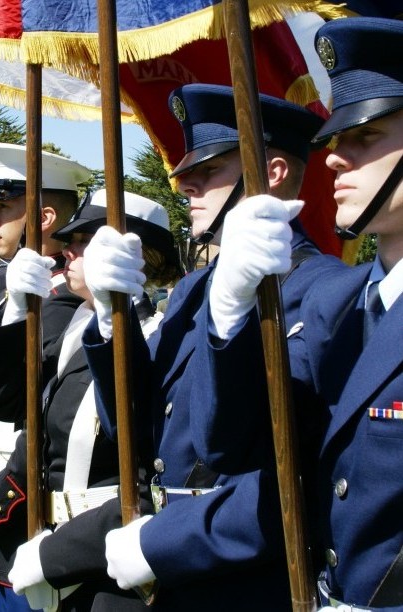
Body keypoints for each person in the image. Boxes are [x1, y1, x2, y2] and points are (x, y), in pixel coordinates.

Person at [3, 88, 346, 611]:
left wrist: (161, 543)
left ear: (272, 173)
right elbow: (133, 429)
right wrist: (109, 318)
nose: (185, 184)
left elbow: (278, 467)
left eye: (210, 170)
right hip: (161, 572)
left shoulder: (324, 291)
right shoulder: (192, 291)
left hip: (243, 580)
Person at [164, 18, 403, 611]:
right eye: (335, 140)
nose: (332, 161)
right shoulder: (348, 305)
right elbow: (233, 448)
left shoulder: (329, 291)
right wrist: (229, 315)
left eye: (364, 137)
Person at [0, 190, 182, 611]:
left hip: (106, 568)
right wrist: (13, 313)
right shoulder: (76, 323)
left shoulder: (161, 333)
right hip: (41, 543)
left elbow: (142, 464)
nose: (68, 250)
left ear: (134, 253)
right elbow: (5, 406)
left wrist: (56, 555)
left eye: (85, 241)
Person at [0, 144, 90, 612]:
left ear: (44, 217)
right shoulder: (8, 287)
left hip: (26, 498)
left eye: (3, 207)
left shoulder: (63, 301)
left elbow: (13, 401)